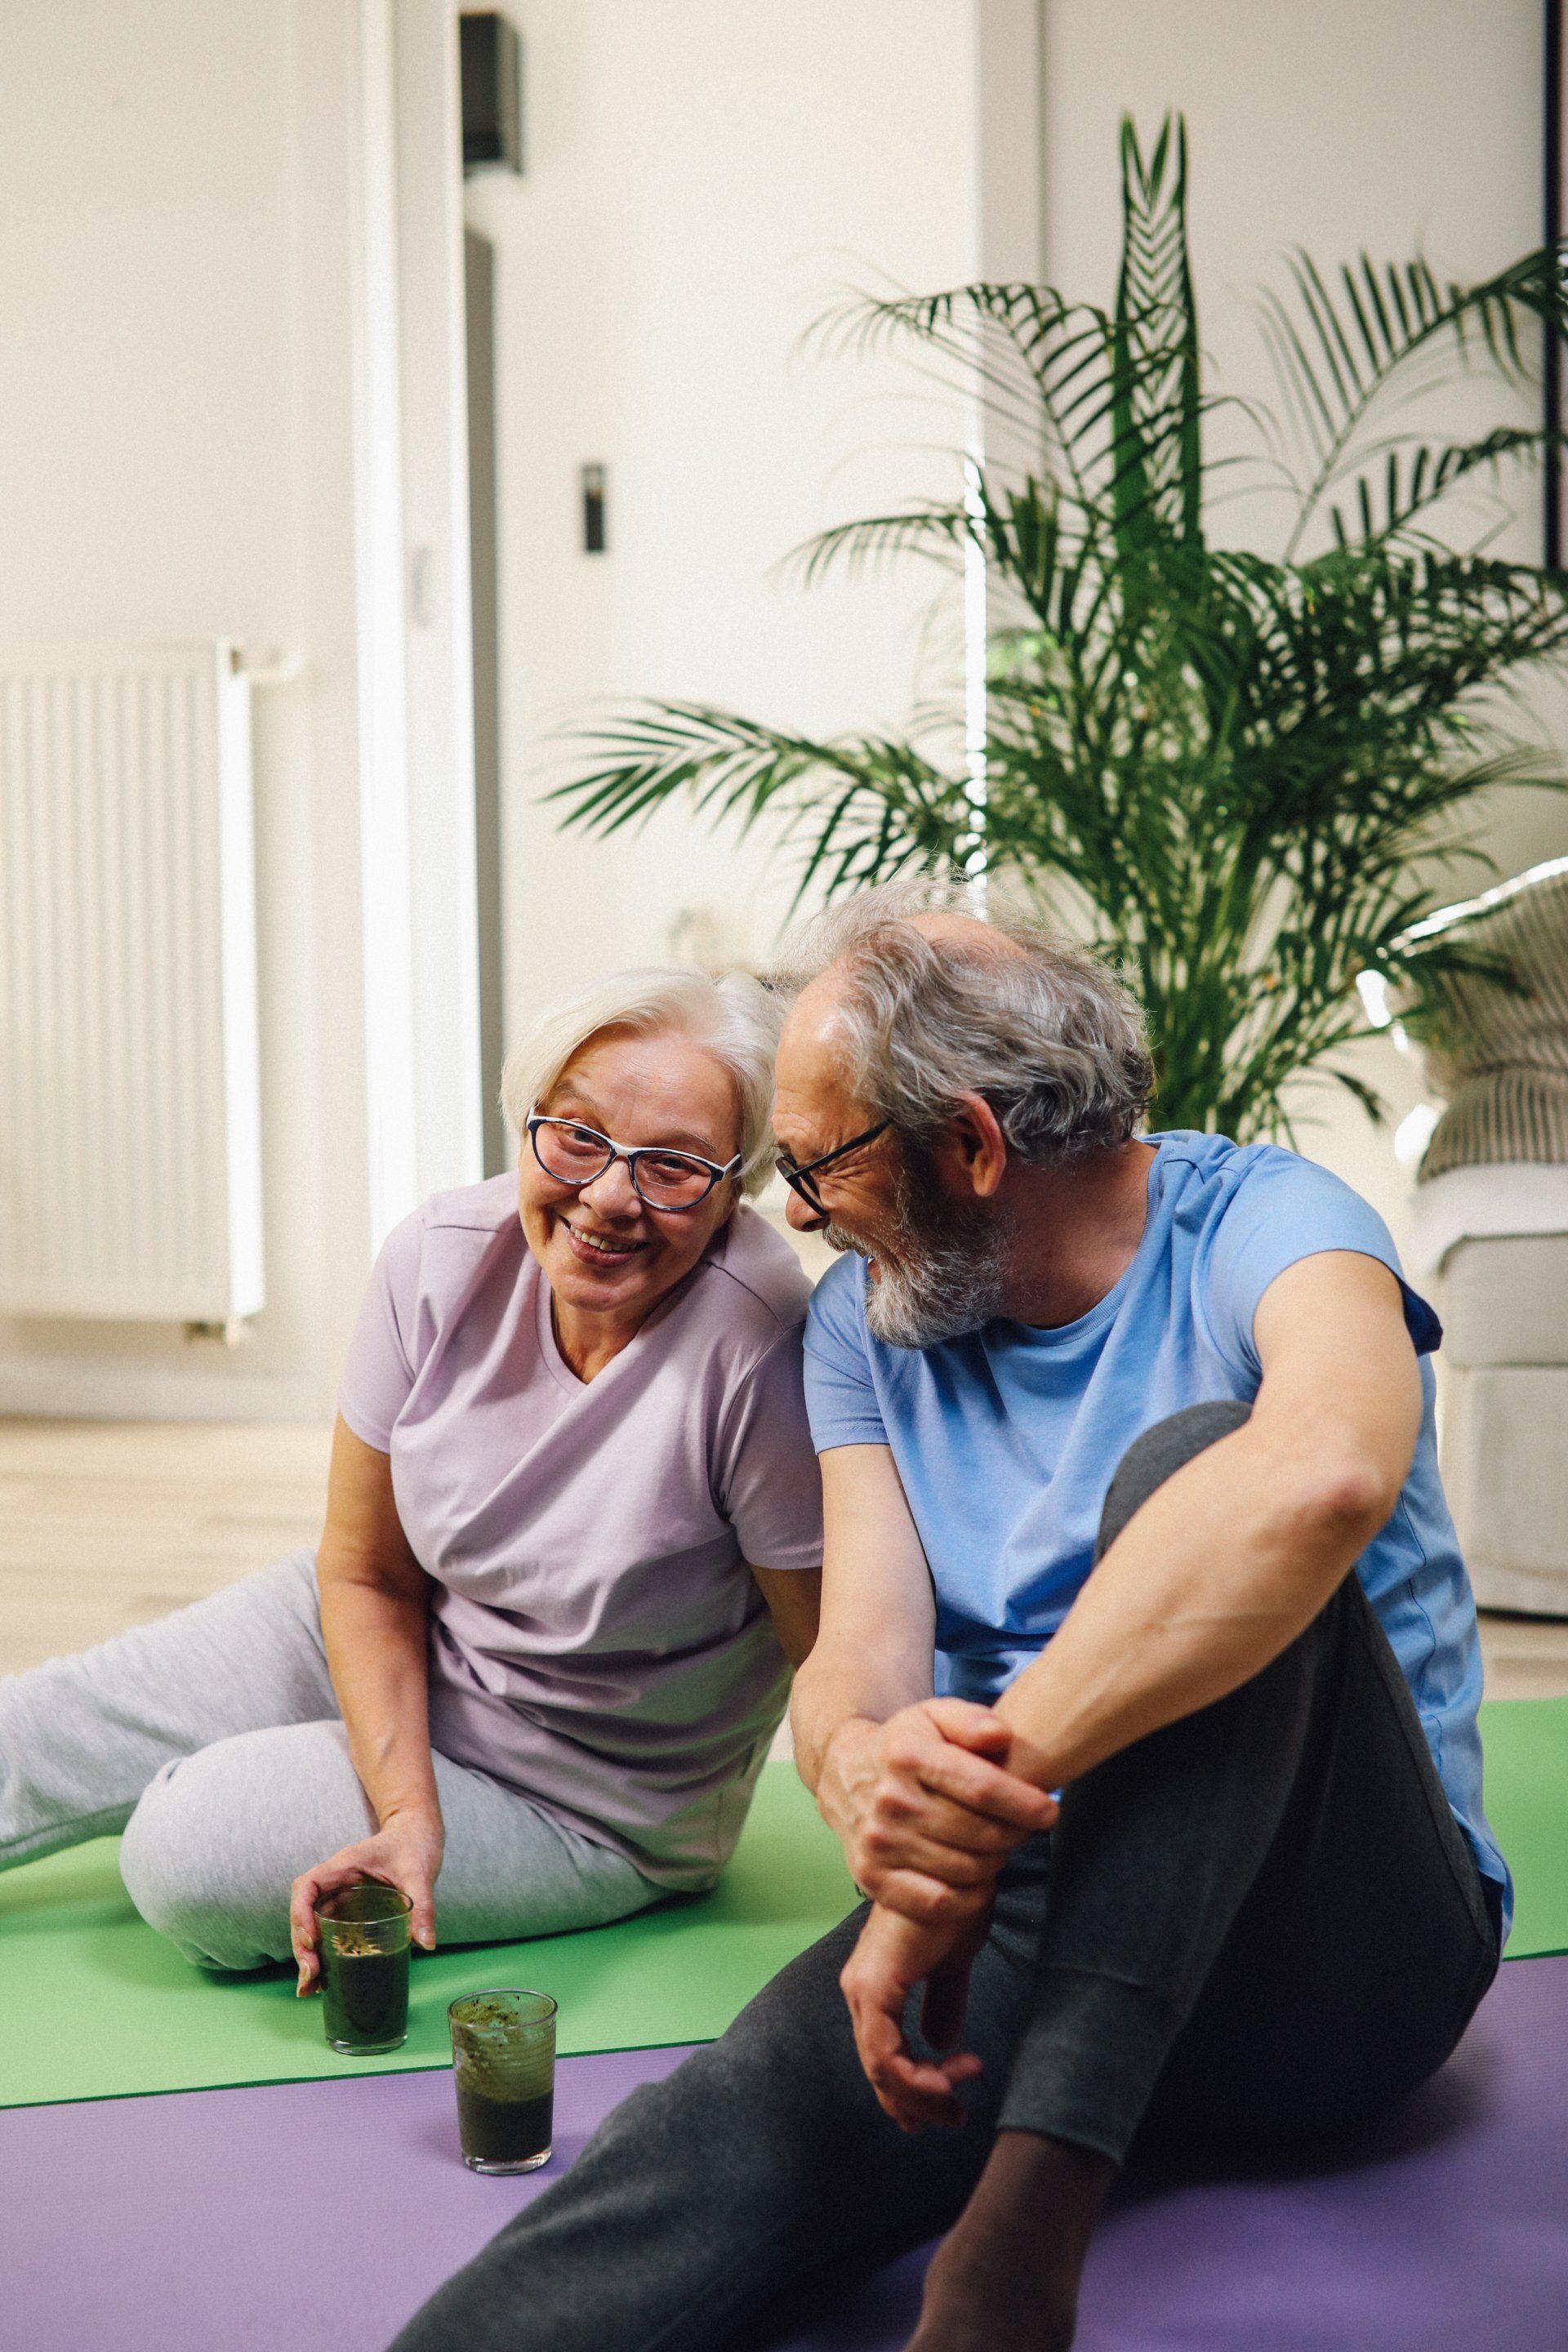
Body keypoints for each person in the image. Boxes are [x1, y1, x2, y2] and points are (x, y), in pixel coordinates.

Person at [389, 881, 1507, 2352]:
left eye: (820, 1162)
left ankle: (1018, 2239)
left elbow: (1326, 1475)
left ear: (971, 1146)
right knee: (713, 2136)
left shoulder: (1275, 1224)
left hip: (1337, 1958)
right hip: (1018, 1921)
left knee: (1209, 1482)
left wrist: (972, 1813)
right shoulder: (865, 1321)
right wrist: (868, 1798)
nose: (792, 1211)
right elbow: (854, 1657)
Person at [0, 968, 822, 1981]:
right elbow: (366, 1572)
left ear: (734, 1188)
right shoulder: (438, 1256)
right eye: (577, 1136)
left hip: (584, 1791)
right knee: (37, 1727)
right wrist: (405, 1810)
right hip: (405, 1619)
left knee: (190, 1848)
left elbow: (823, 1652)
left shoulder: (760, 1343)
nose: (610, 1196)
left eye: (673, 1166)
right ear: (529, 1121)